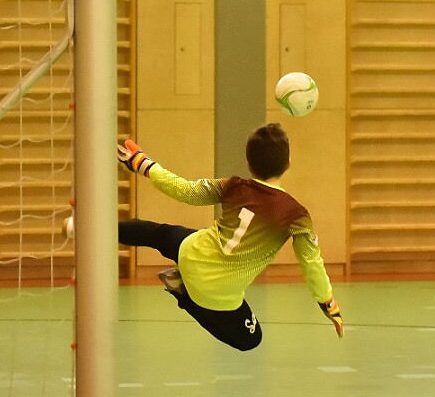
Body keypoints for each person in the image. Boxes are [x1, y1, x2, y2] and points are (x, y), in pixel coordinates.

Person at [116, 123, 342, 352]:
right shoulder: (297, 216)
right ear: (288, 162)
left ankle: (103, 230)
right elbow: (311, 263)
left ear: (249, 164)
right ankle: (182, 293)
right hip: (218, 290)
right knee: (250, 339)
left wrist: (144, 164)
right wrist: (327, 302)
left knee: (158, 234)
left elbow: (185, 190)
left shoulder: (232, 186)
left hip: (192, 253)